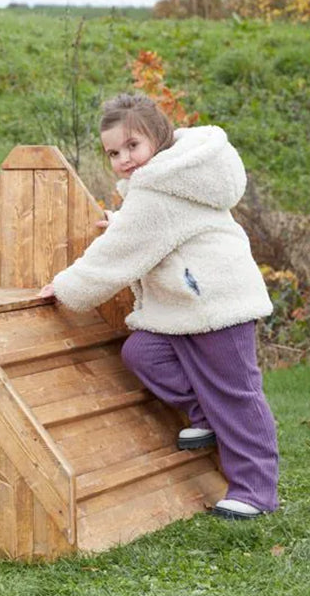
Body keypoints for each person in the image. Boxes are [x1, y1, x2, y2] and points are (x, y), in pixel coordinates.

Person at [40, 93, 279, 520]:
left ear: (160, 137)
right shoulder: (174, 176)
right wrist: (122, 220)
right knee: (142, 352)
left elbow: (121, 250)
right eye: (113, 152)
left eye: (133, 146)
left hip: (219, 304)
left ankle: (256, 490)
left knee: (237, 396)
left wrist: (66, 287)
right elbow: (158, 227)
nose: (124, 159)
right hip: (191, 303)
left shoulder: (159, 187)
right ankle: (202, 412)